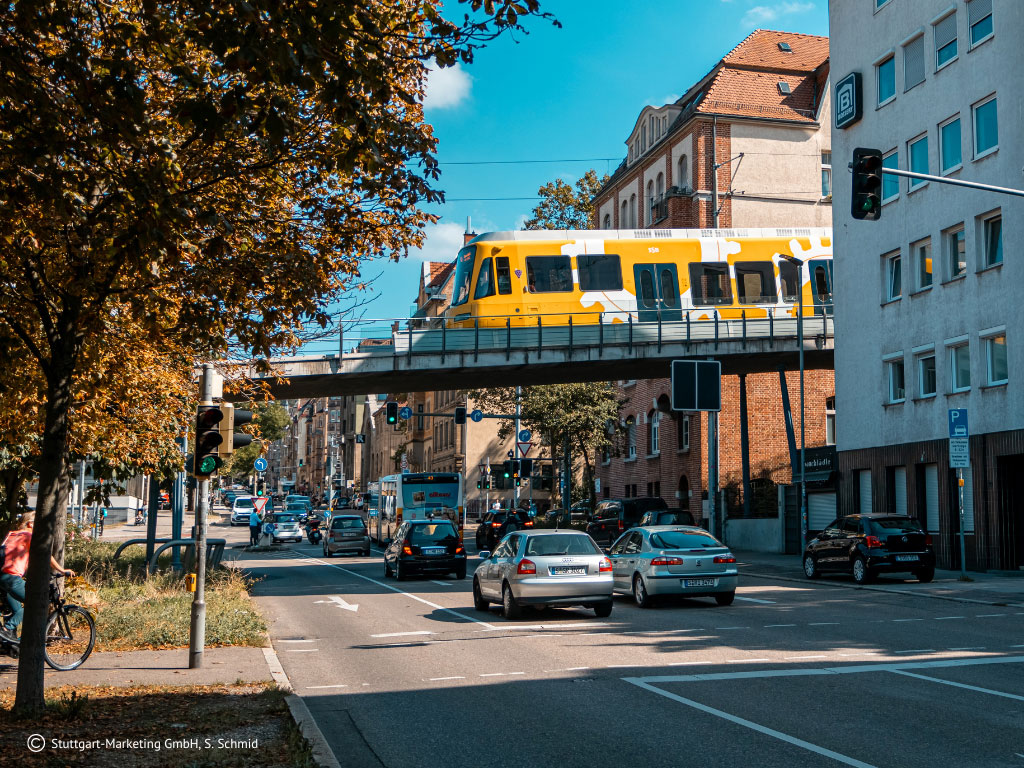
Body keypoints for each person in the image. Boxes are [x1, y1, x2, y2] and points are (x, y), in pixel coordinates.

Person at [1, 513, 75, 640]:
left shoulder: (12, 534)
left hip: (2, 577)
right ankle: (7, 629)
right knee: (35, 602)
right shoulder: (29, 536)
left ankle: (11, 644)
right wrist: (62, 570)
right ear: (30, 524)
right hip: (11, 578)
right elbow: (45, 554)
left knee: (17, 610)